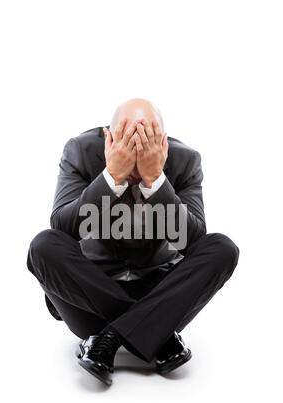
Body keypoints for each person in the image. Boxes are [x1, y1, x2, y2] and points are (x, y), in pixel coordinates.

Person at [27, 98, 239, 386]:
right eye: (127, 141)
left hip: (160, 290)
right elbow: (63, 227)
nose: (137, 151)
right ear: (108, 138)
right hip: (92, 299)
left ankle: (108, 339)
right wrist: (111, 175)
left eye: (148, 141)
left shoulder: (184, 160)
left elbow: (192, 240)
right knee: (43, 245)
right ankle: (157, 338)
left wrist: (155, 179)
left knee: (222, 248)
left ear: (162, 142)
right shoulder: (81, 151)